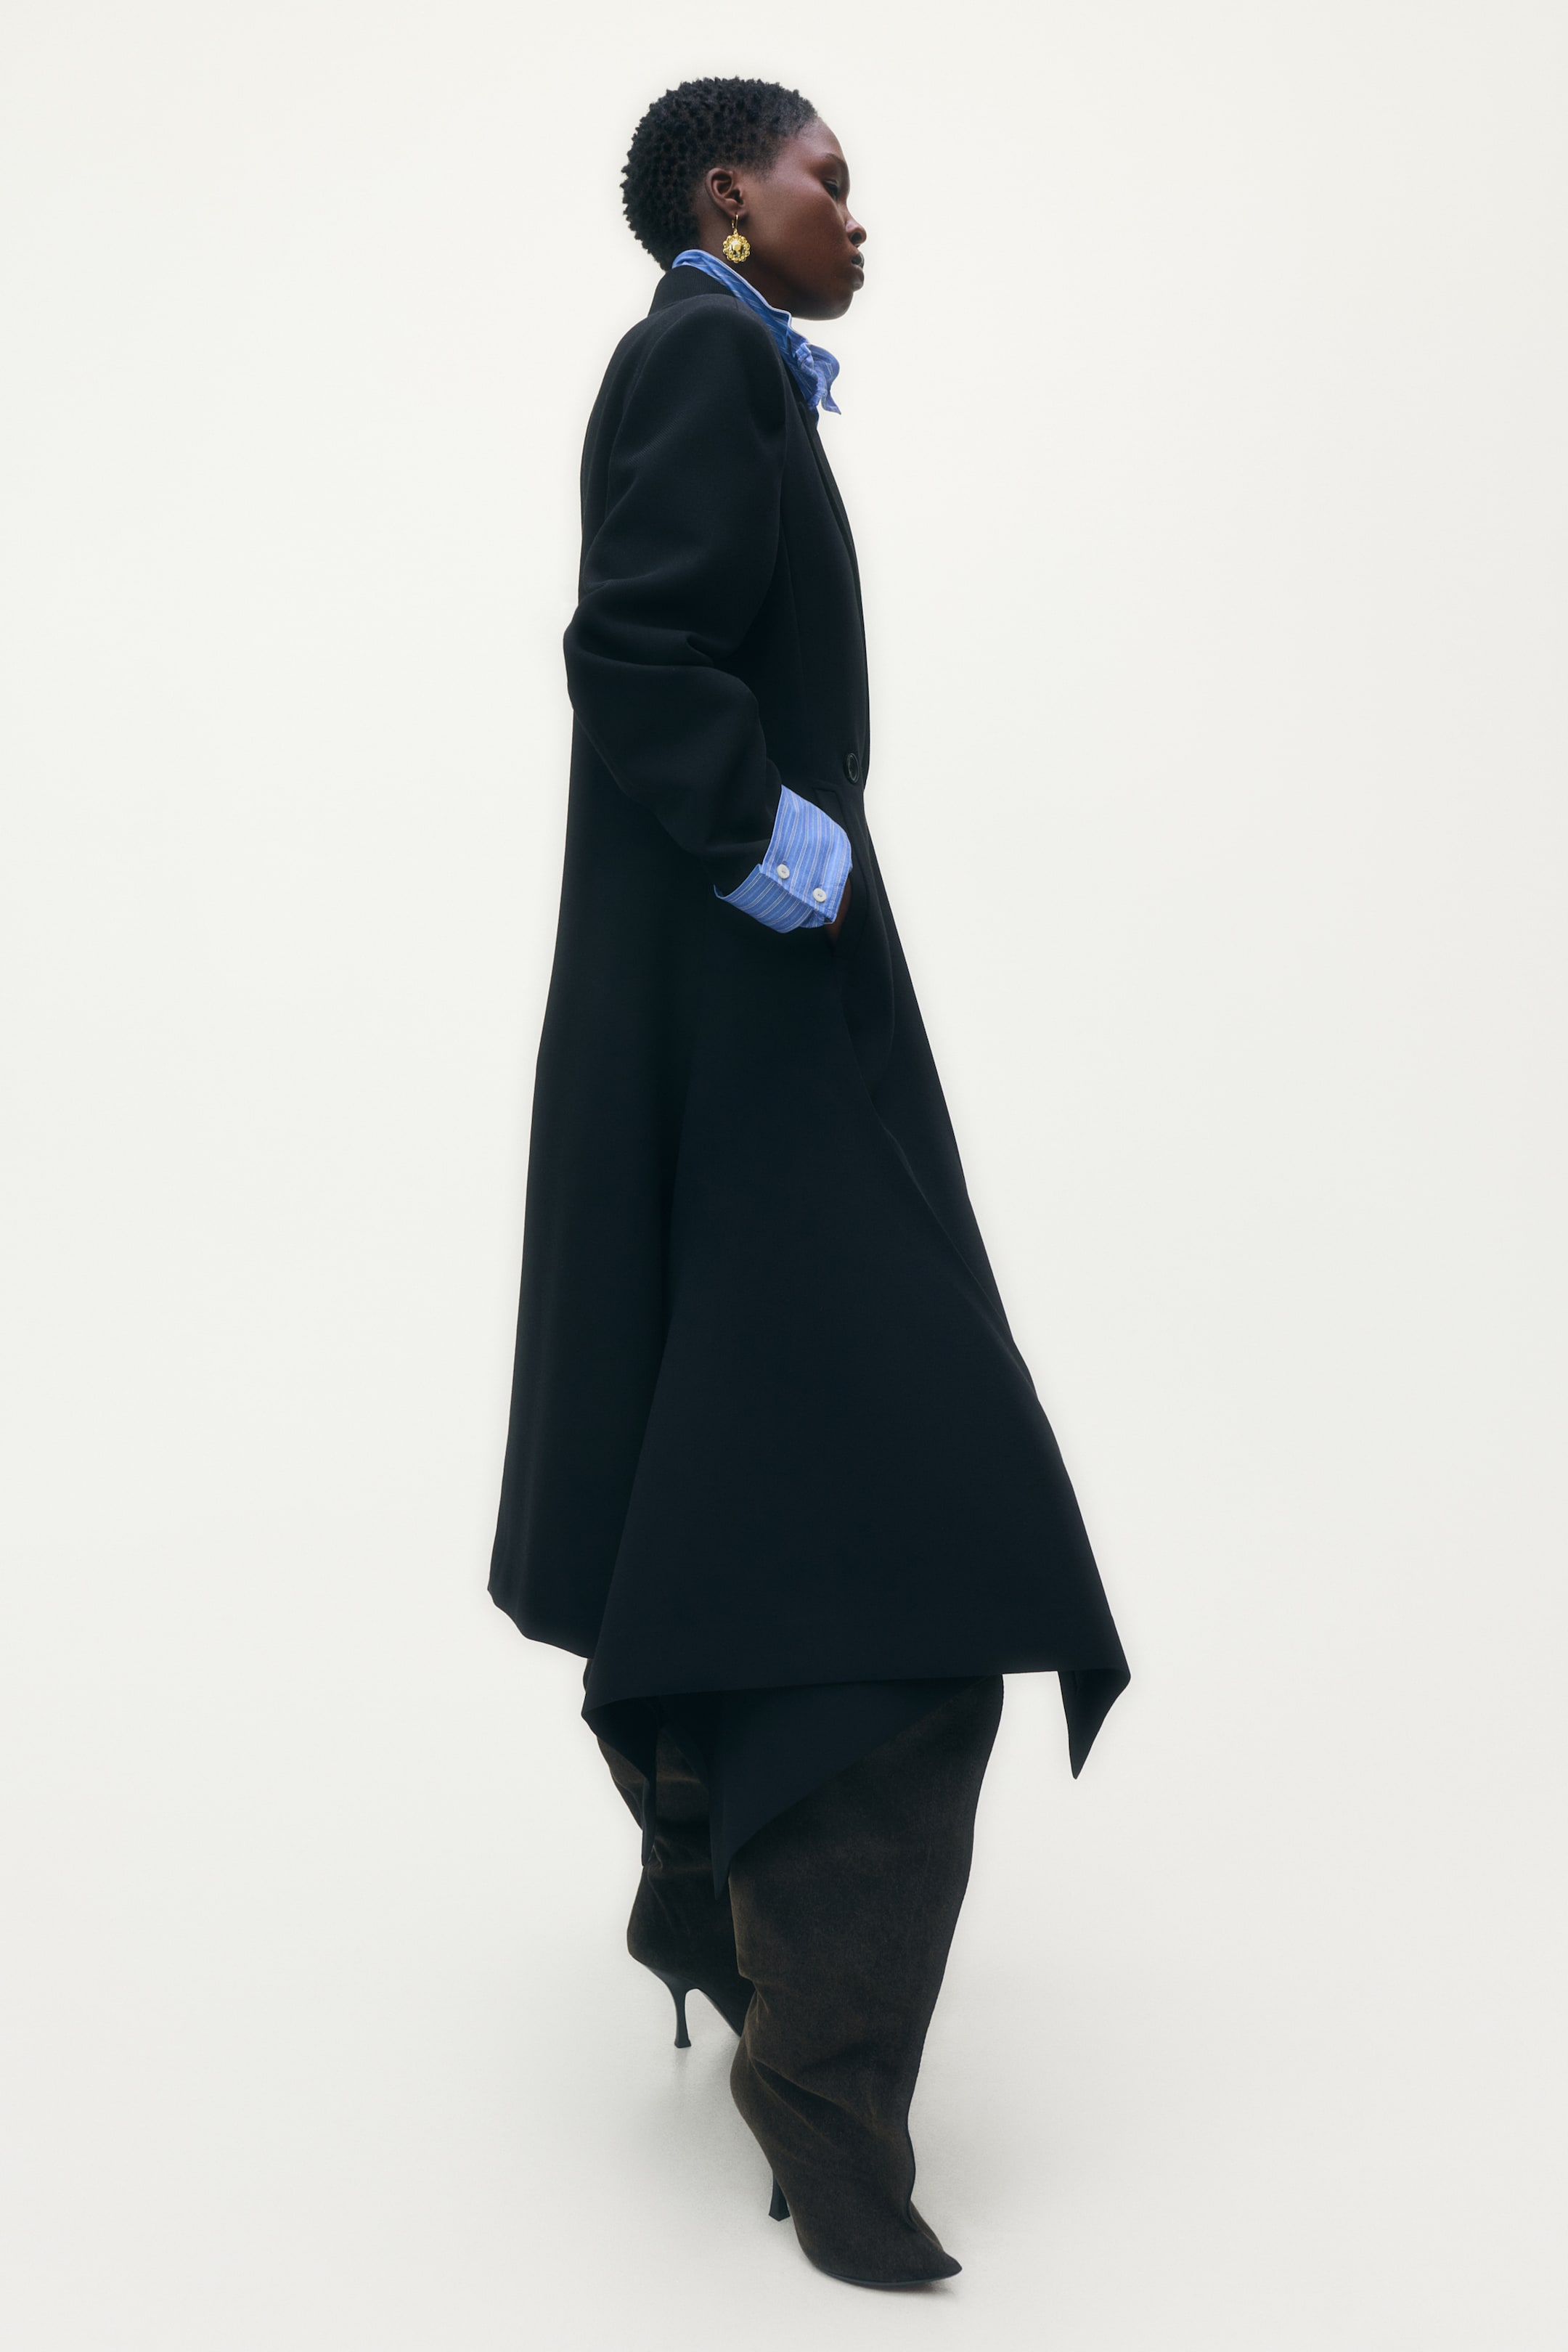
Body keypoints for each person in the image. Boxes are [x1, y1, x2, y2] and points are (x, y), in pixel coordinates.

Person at [489, 76, 1130, 2289]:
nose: (860, 211)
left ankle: (734, 1931)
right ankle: (817, 2067)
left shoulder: (731, 363)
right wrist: (790, 853)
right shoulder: (703, 353)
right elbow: (634, 649)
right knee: (910, 1522)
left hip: (755, 1019)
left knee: (761, 1476)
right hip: (753, 1015)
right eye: (827, 178)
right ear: (726, 199)